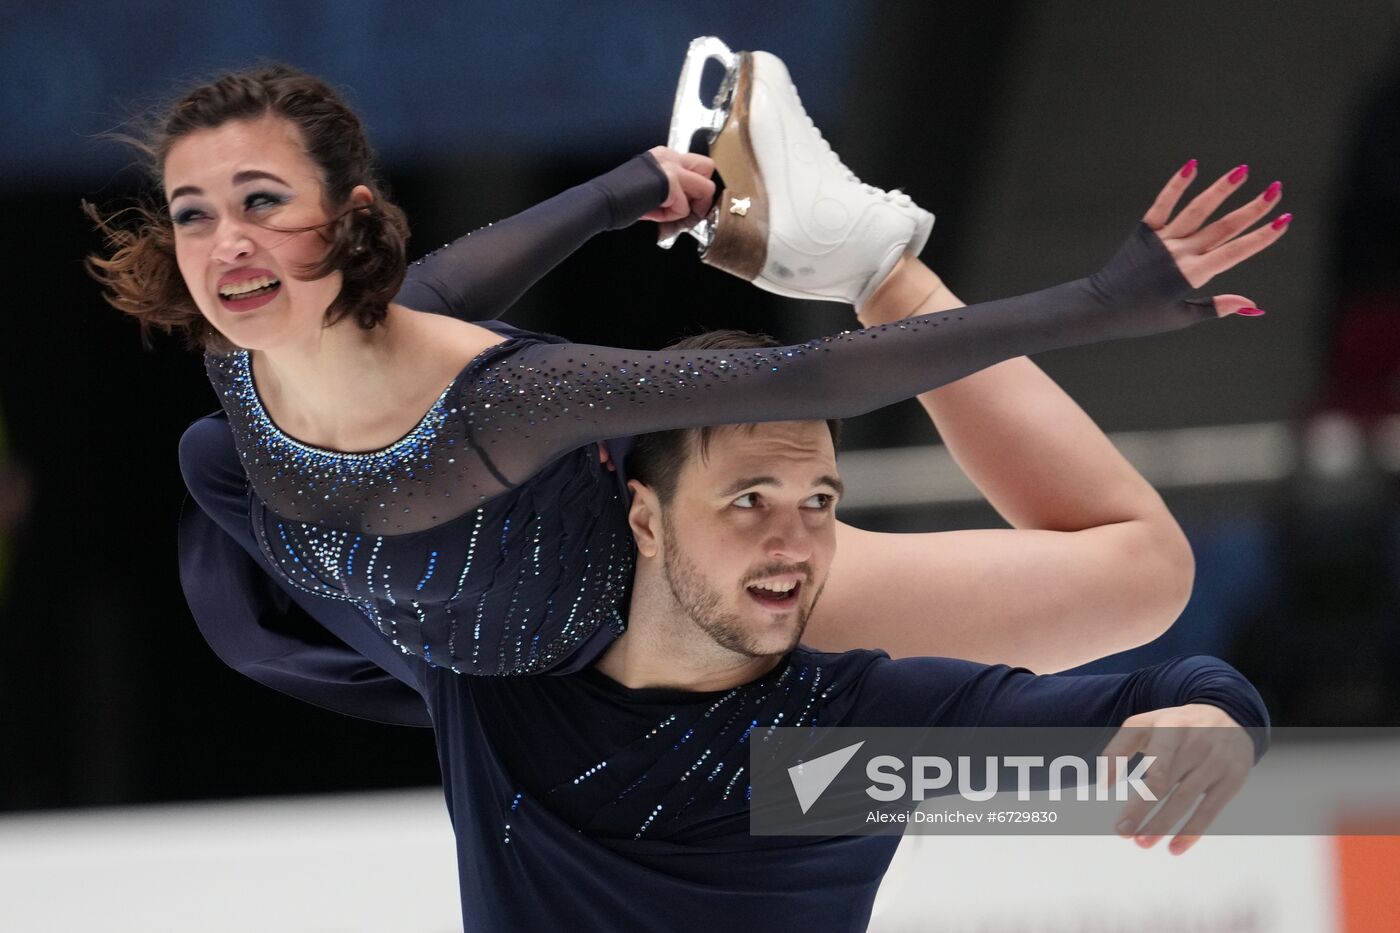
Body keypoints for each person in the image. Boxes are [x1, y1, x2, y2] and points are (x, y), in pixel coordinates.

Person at [85, 63, 1290, 691]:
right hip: (567, 706)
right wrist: (619, 193)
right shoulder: (243, 387)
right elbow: (448, 280)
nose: (223, 244)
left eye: (259, 203)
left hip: (693, 600)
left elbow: (814, 383)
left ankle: (867, 254)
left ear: (346, 220)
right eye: (194, 214)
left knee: (1140, 582)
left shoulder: (509, 400)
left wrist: (1096, 304)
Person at [425, 340, 1269, 931]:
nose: (794, 538)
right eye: (751, 500)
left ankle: (880, 261)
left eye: (821, 501)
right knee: (1142, 575)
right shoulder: (499, 674)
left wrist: (1221, 719)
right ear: (645, 515)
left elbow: (1157, 697)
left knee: (1145, 578)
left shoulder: (830, 752)